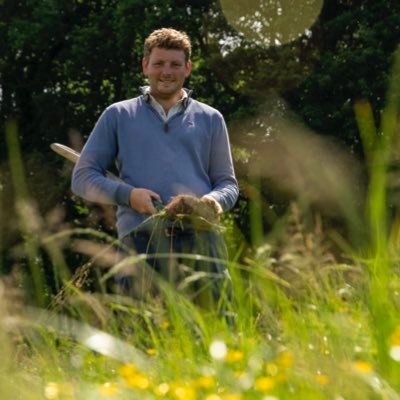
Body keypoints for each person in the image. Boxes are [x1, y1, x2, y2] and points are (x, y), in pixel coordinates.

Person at [71, 28, 239, 308]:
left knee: (216, 329)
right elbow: (82, 177)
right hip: (141, 240)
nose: (166, 71)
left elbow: (228, 184)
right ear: (145, 65)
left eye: (175, 64)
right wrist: (128, 196)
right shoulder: (118, 115)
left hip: (202, 240)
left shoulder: (211, 118)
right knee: (139, 333)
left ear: (188, 68)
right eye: (159, 63)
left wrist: (211, 201)